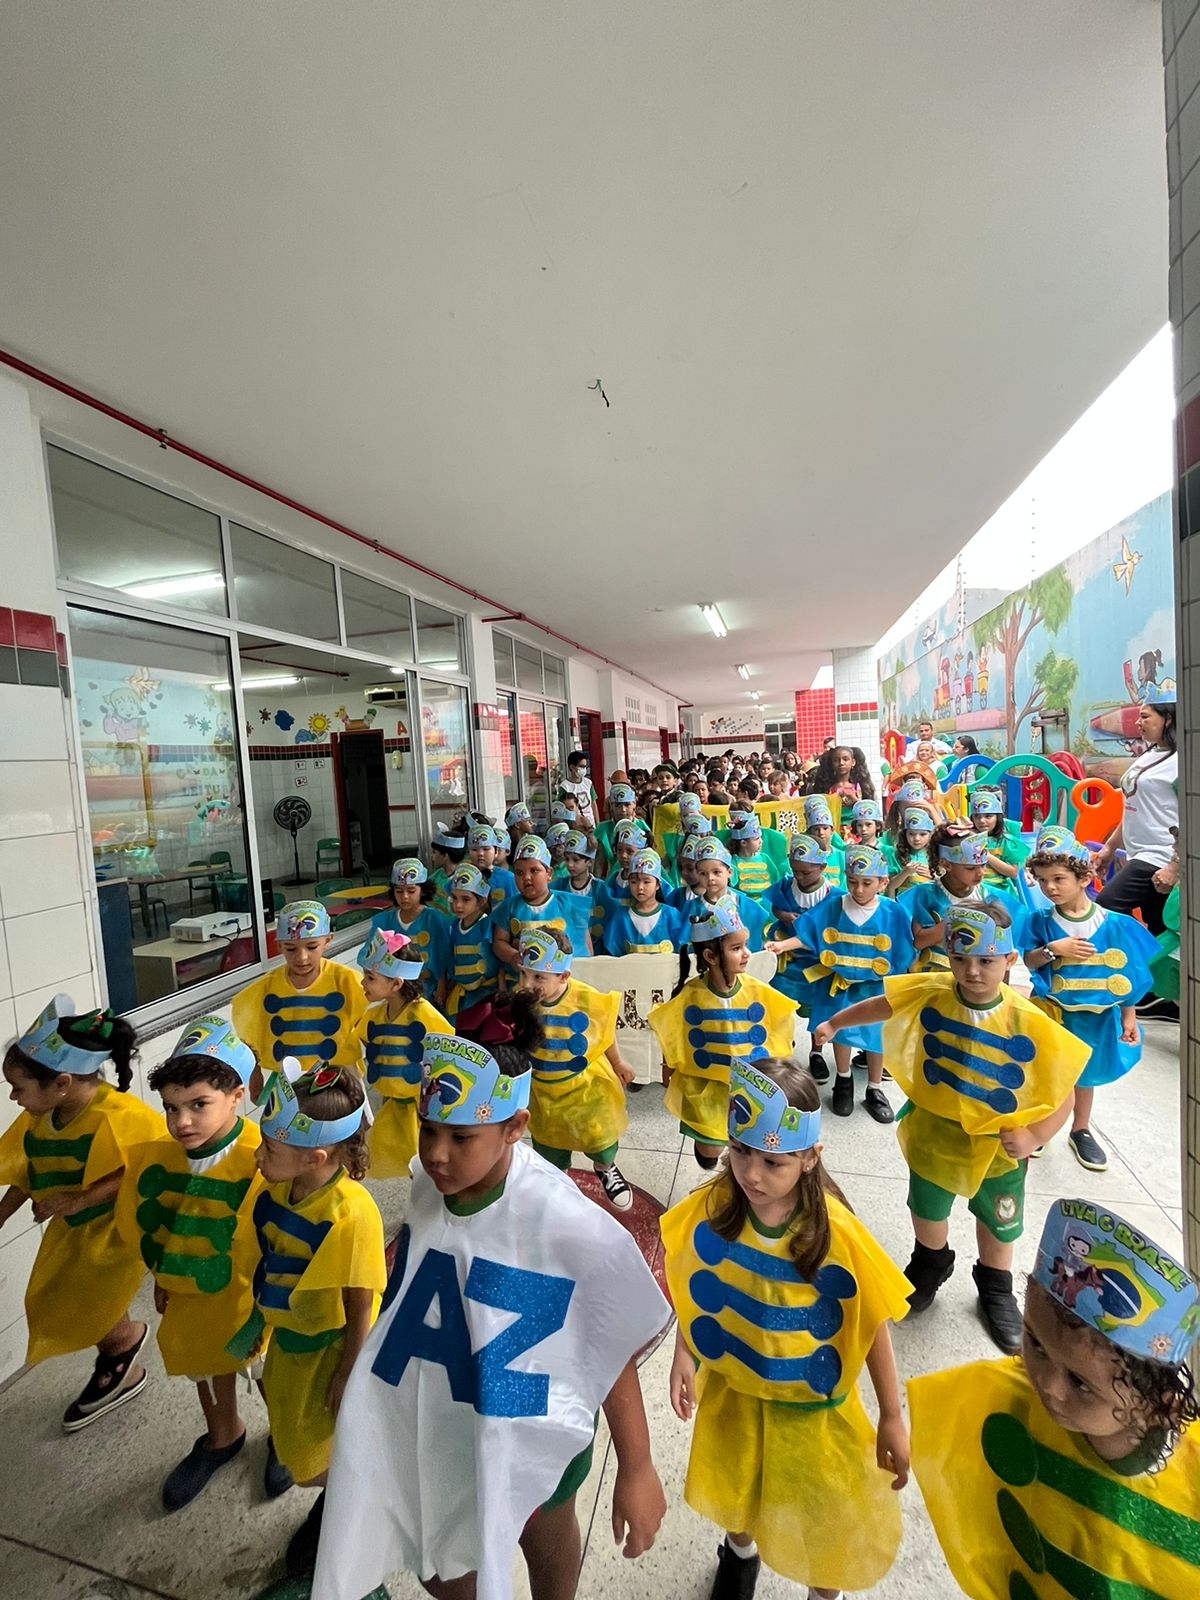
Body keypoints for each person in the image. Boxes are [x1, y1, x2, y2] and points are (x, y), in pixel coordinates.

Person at [313, 1029, 670, 1600]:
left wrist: (637, 1465)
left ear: (514, 1128)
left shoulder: (563, 1218)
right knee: (445, 1557)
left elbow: (606, 1340)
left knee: (545, 1536)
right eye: (429, 1129)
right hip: (450, 1421)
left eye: (461, 1137)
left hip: (535, 1420)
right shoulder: (430, 1185)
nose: (437, 1153)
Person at [663, 1058, 910, 1600]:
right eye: (741, 1151)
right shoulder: (716, 1207)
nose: (751, 1175)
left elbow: (871, 1322)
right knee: (738, 1490)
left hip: (811, 1412)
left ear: (809, 1157)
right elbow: (694, 1280)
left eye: (773, 1162)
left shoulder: (835, 1231)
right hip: (737, 1391)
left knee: (823, 1519)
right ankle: (740, 1555)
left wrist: (892, 1416)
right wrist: (685, 1350)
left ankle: (824, 1591)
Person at [813, 902, 1089, 1352]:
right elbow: (885, 1003)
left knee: (998, 1219)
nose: (972, 971)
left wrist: (1035, 1136)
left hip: (998, 1147)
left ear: (1009, 959)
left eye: (986, 961)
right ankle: (929, 1262)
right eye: (960, 959)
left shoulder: (1029, 1021)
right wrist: (835, 1022)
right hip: (935, 1133)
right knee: (927, 1206)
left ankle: (996, 1284)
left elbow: (1066, 1091)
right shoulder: (933, 989)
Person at [908, 1197, 1200, 1597]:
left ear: (1157, 1407)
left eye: (1081, 1383)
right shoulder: (1016, 1393)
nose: (1047, 1384)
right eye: (1035, 1342)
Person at [118, 1015, 286, 1509]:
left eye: (198, 1105)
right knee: (202, 1363)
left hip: (254, 1294)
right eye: (171, 1108)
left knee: (267, 1368)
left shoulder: (266, 1155)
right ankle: (223, 1436)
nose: (181, 1122)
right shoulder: (162, 1157)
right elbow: (163, 1223)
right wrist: (162, 1276)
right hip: (193, 1291)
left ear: (236, 1096)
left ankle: (283, 1436)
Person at [230, 1063, 386, 1579]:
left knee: (320, 1449)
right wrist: (257, 1324)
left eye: (270, 1149)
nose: (257, 1156)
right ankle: (340, 1493)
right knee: (294, 1431)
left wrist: (349, 1371)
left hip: (326, 1349)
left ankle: (356, 1503)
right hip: (289, 1340)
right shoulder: (277, 1190)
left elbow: (360, 1301)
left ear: (314, 1157)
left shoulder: (351, 1212)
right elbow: (270, 1261)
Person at [0, 996, 162, 1429]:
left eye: (18, 1088)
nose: (14, 1098)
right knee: (56, 1296)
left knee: (89, 1300)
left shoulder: (116, 1115)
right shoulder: (42, 1116)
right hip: (73, 1228)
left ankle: (120, 1349)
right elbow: (26, 1170)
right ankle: (123, 1343)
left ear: (61, 1083)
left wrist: (78, 1200)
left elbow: (143, 1167)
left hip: (115, 1231)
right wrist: (2, 1213)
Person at [1024, 826, 1159, 1174]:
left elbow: (1127, 974)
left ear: (1084, 878)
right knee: (1049, 1071)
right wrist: (1053, 949)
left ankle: (1080, 1129)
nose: (1049, 888)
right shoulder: (1040, 921)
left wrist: (1129, 1017)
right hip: (1053, 1013)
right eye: (1043, 880)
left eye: (1058, 879)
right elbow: (1029, 961)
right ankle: (1040, 1127)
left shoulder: (1114, 924)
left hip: (1096, 1016)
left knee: (1086, 1074)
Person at [650, 896, 798, 1169]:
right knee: (711, 1148)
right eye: (737, 948)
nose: (747, 954)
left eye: (745, 946)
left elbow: (779, 1032)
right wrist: (667, 1069)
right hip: (705, 1085)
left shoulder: (759, 991)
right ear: (711, 956)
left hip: (750, 1086)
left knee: (748, 1140)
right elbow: (673, 1033)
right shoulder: (689, 995)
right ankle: (708, 1148)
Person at [772, 845, 915, 1124]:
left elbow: (905, 949)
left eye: (866, 883)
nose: (858, 889)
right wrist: (781, 945)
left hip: (876, 988)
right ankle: (843, 1079)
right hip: (840, 985)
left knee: (876, 1036)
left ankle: (875, 1088)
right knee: (840, 1032)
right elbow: (810, 934)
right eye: (852, 881)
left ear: (882, 882)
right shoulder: (835, 905)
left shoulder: (893, 911)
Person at [514, 924, 635, 1209]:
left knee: (600, 1137)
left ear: (563, 976)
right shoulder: (521, 999)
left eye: (538, 977)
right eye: (523, 974)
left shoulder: (586, 998)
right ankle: (558, 1181)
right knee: (549, 1143)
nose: (527, 984)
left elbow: (604, 1031)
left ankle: (605, 1168)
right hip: (544, 1091)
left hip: (585, 1087)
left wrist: (618, 1062)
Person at [352, 928, 450, 1178]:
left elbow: (448, 1050)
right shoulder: (375, 1015)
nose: (363, 983)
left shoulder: (424, 1014)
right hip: (392, 1107)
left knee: (424, 1166)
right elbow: (358, 1039)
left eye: (370, 977)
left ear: (396, 983)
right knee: (391, 1158)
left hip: (421, 1112)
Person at [235, 901, 368, 1085]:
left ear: (327, 941)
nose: (302, 957)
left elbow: (370, 1028)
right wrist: (254, 1074)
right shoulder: (264, 988)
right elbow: (246, 1037)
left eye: (312, 947)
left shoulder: (348, 981)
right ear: (279, 946)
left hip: (341, 1077)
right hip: (287, 1080)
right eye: (290, 948)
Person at [1094, 695, 1179, 944]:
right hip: (1140, 853)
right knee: (1158, 928)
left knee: (1107, 904)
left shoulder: (1182, 761)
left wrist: (1175, 866)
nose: (1138, 722)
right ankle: (1146, 967)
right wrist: (1110, 847)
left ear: (1168, 719)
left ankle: (1126, 958)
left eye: (1145, 716)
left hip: (1161, 854)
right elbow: (1134, 809)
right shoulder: (1151, 753)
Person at [493, 833, 593, 968]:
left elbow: (585, 945)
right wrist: (512, 956)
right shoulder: (509, 907)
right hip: (523, 976)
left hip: (562, 975)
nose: (526, 877)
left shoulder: (569, 904)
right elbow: (499, 941)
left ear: (549, 874)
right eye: (519, 873)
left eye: (534, 871)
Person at [359, 864, 452, 1006]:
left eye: (411, 891)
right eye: (399, 891)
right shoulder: (384, 920)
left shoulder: (434, 919)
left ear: (423, 891)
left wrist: (441, 987)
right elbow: (368, 955)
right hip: (395, 990)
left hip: (428, 988)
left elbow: (443, 956)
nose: (405, 896)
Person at [901, 824, 991, 971]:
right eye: (971, 868)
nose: (981, 872)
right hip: (935, 974)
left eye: (983, 865)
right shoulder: (925, 895)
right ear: (946, 864)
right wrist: (958, 919)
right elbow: (919, 942)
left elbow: (1002, 947)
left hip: (976, 973)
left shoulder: (989, 896)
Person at [602, 847, 688, 954]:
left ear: (658, 884)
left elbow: (682, 951)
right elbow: (612, 953)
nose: (640, 887)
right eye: (634, 882)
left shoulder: (671, 915)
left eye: (646, 882)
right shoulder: (621, 917)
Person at [444, 863, 499, 1020]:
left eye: (466, 899)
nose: (458, 905)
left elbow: (500, 962)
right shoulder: (455, 925)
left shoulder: (488, 925)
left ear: (481, 901)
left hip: (487, 996)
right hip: (461, 994)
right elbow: (452, 959)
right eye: (454, 898)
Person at [967, 784, 1028, 896]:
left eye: (988, 816)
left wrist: (986, 855)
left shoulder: (1006, 841)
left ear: (997, 817)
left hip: (999, 891)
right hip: (972, 889)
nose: (982, 821)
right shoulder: (967, 838)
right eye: (977, 816)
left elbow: (1013, 872)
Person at [882, 802, 936, 897]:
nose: (916, 839)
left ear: (930, 834)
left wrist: (933, 876)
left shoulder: (937, 854)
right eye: (911, 834)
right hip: (903, 903)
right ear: (905, 834)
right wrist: (905, 873)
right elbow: (890, 887)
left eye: (922, 834)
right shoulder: (895, 855)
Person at [806, 744, 875, 802]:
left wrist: (855, 800)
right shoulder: (828, 789)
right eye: (836, 760)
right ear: (832, 764)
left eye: (845, 759)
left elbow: (866, 808)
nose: (841, 763)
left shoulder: (858, 787)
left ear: (853, 762)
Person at [558, 749, 598, 826]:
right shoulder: (565, 787)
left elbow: (594, 805)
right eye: (581, 766)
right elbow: (562, 809)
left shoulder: (588, 783)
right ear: (572, 767)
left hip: (591, 824)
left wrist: (597, 824)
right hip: (575, 825)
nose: (584, 769)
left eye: (585, 766)